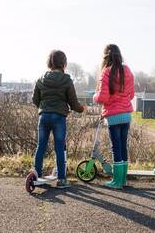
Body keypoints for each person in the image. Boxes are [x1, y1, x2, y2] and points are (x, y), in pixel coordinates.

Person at [32, 50, 86, 188]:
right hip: (59, 117)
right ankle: (61, 179)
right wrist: (82, 109)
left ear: (49, 62)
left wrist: (44, 108)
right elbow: (74, 103)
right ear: (64, 63)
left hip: (43, 116)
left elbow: (35, 99)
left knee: (41, 146)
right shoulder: (66, 79)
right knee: (59, 148)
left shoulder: (40, 79)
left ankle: (37, 175)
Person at [93, 44, 134, 189]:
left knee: (115, 147)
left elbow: (102, 97)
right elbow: (131, 94)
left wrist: (94, 96)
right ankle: (123, 179)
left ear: (106, 57)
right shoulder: (127, 70)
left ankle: (116, 181)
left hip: (113, 116)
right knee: (123, 146)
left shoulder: (106, 72)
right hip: (126, 115)